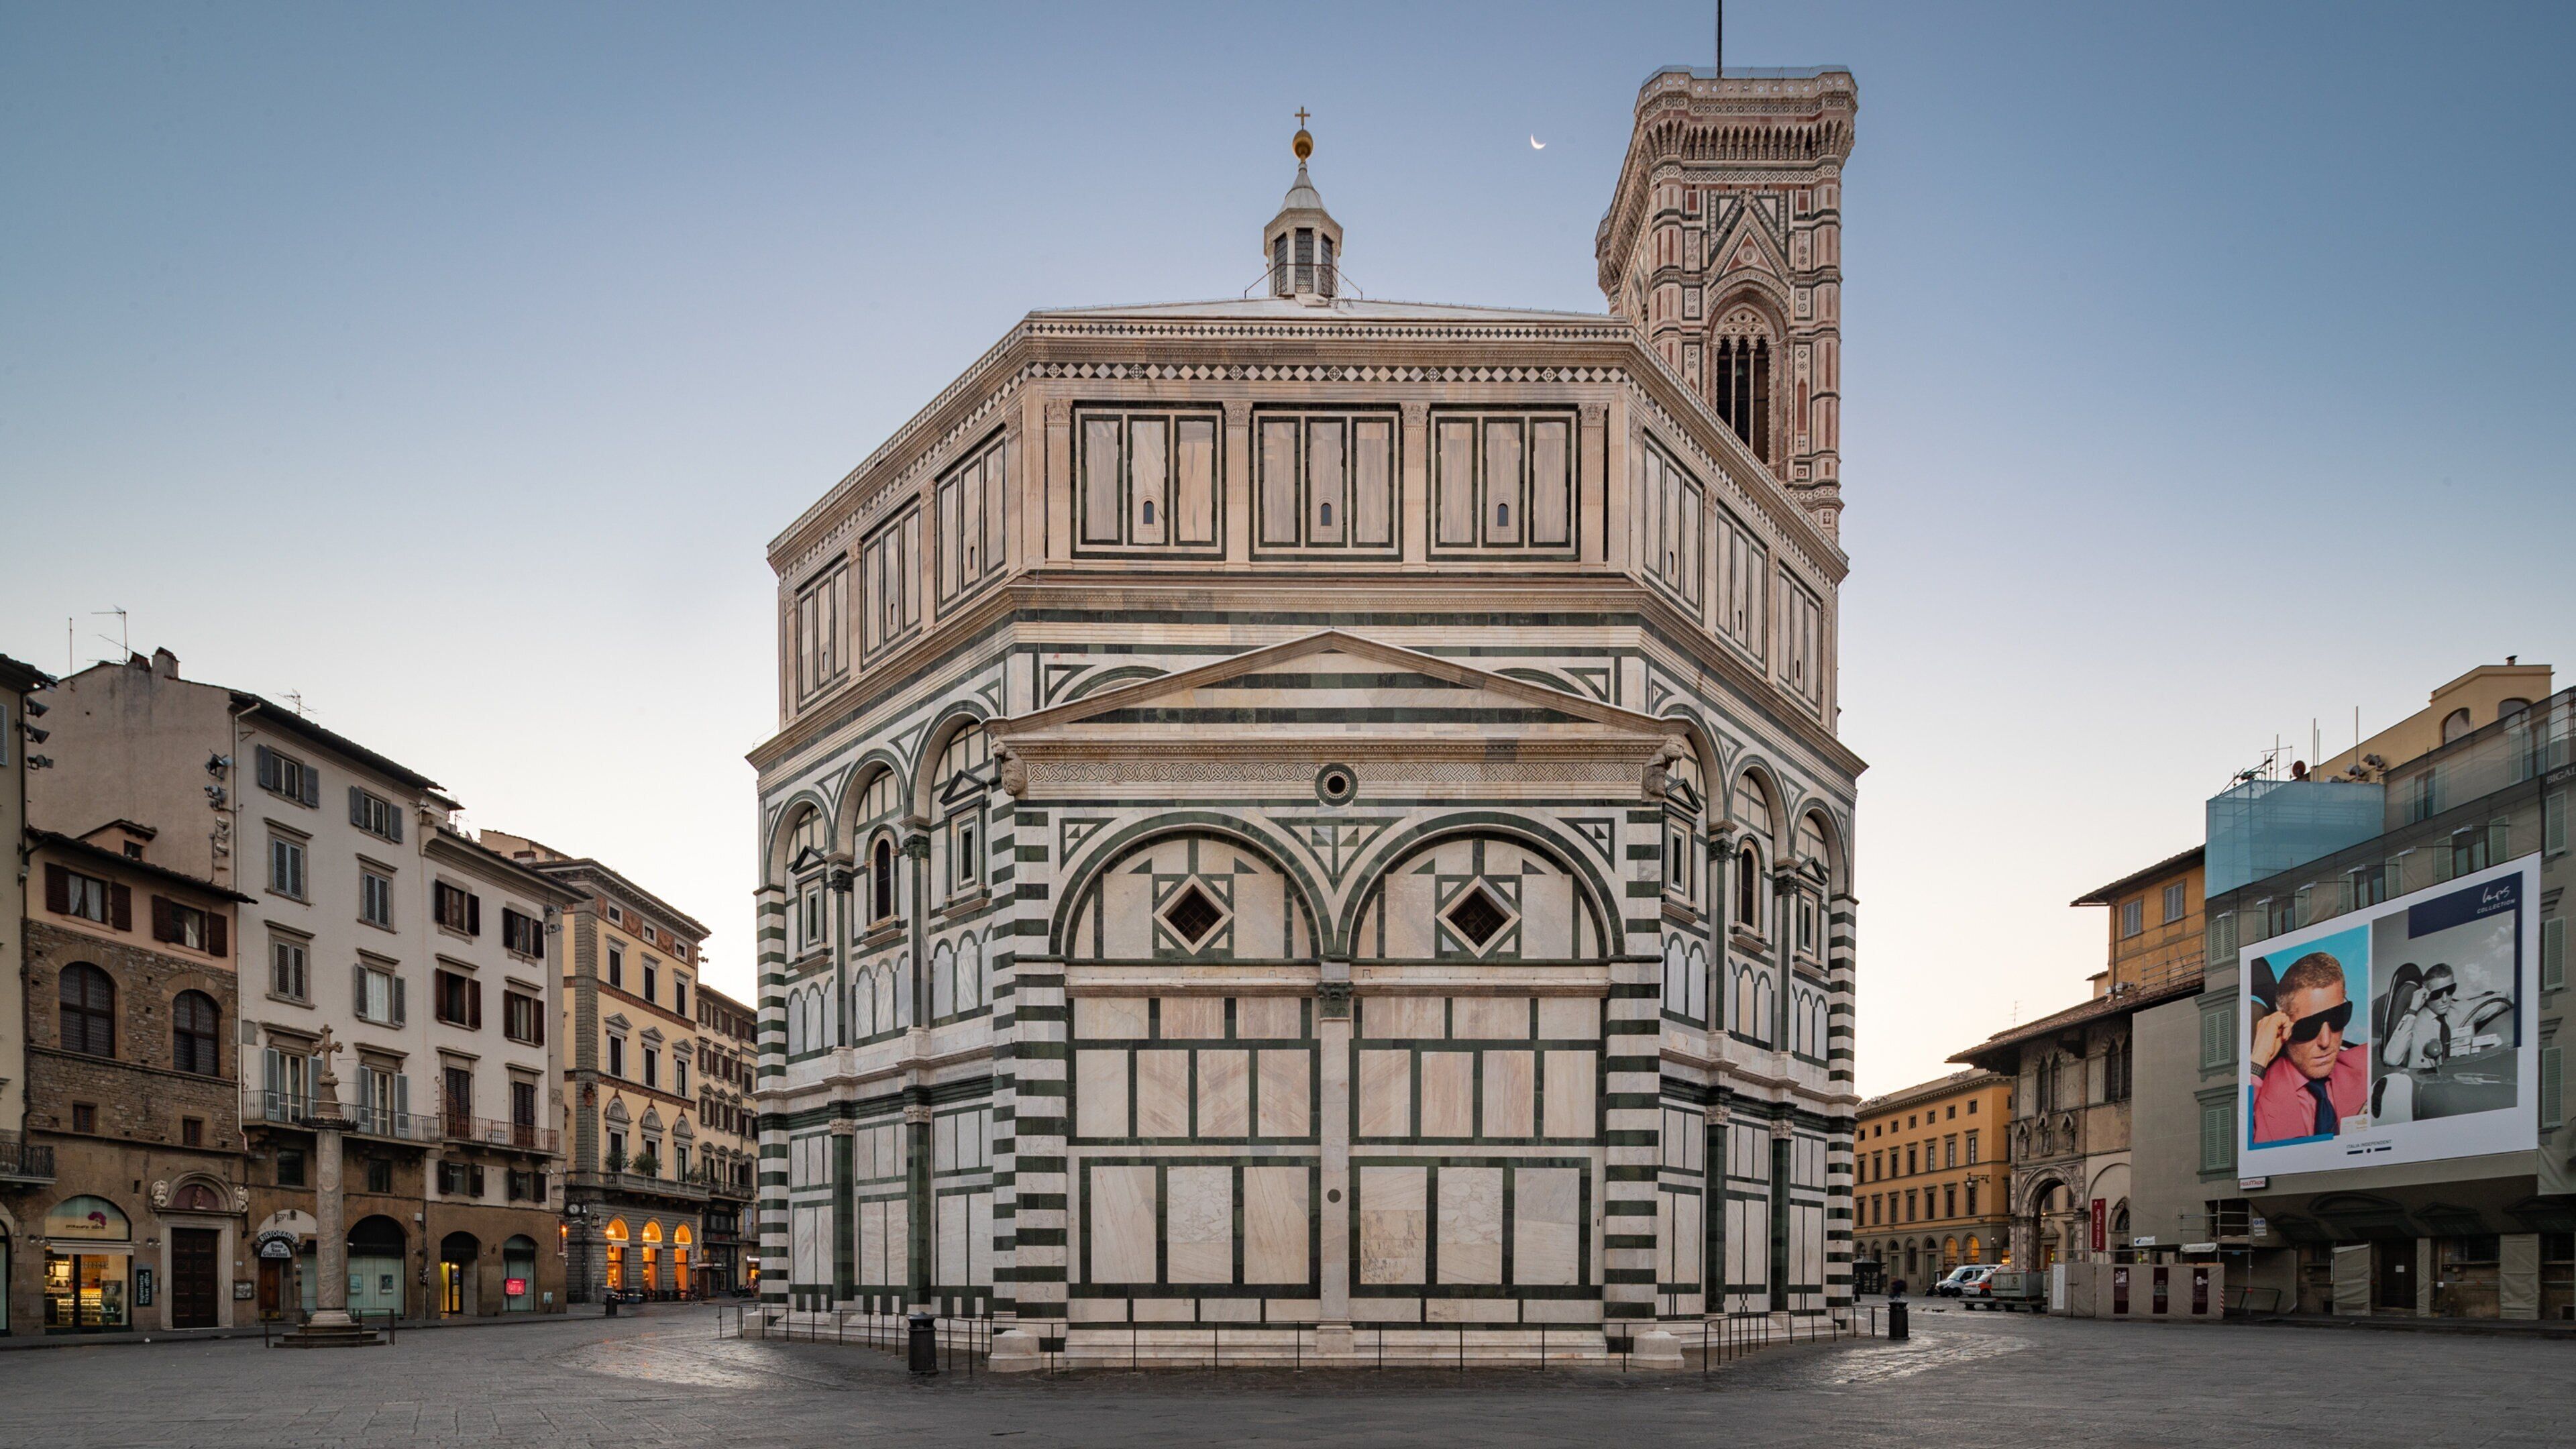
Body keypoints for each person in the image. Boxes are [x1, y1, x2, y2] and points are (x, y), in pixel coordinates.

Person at [2250, 950, 2369, 1144]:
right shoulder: (2257, 1099)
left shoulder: (2368, 1062)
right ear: (2283, 1024)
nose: (2325, 1041)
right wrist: (2259, 1058)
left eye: (2338, 1017)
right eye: (2309, 1027)